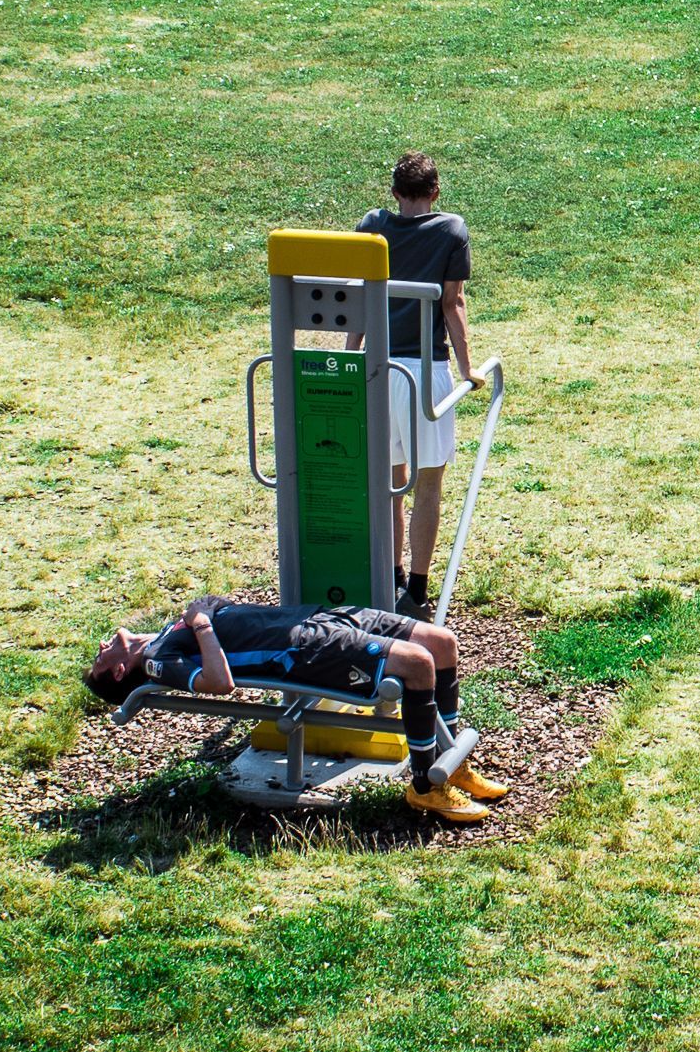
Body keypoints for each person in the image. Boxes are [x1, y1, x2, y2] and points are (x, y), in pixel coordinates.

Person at [82, 597, 509, 823]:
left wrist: (203, 611)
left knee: (442, 642)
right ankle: (425, 787)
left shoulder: (163, 633)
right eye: (99, 661)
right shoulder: (158, 659)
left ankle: (450, 764)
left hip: (317, 620)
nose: (100, 648)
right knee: (417, 664)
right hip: (299, 650)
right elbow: (218, 682)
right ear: (120, 672)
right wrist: (202, 622)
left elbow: (214, 602)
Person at [357, 150, 476, 617]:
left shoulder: (373, 225)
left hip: (379, 368)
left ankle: (391, 575)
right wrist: (469, 369)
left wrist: (351, 355)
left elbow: (360, 297)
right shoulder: (451, 229)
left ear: (394, 194)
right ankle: (419, 589)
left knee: (391, 478)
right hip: (425, 370)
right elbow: (453, 303)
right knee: (430, 481)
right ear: (436, 192)